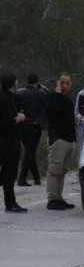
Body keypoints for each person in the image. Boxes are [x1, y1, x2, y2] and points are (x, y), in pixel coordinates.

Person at [44, 72, 77, 211]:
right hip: (58, 139)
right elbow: (53, 110)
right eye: (62, 83)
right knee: (54, 170)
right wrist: (56, 93)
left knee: (62, 171)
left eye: (67, 83)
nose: (65, 85)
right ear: (57, 83)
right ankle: (52, 199)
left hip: (69, 139)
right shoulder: (52, 98)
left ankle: (59, 197)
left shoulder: (67, 100)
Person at [1, 72, 28, 213]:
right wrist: (20, 118)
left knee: (8, 173)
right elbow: (7, 123)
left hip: (8, 141)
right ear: (12, 84)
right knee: (9, 174)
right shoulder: (5, 100)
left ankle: (10, 202)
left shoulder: (8, 98)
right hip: (8, 142)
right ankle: (10, 203)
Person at [15, 72, 47, 186]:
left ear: (27, 81)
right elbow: (51, 99)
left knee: (30, 151)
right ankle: (22, 178)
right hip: (35, 126)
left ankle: (37, 177)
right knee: (30, 151)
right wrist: (44, 89)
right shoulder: (40, 94)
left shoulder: (20, 94)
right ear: (37, 81)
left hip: (22, 126)